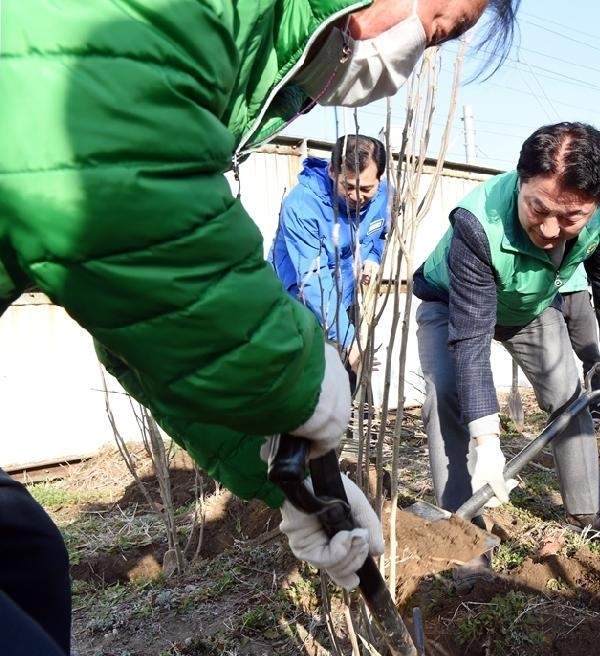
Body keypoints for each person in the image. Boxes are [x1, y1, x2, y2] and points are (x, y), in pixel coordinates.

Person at [0, 1, 520, 652]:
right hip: (291, 312)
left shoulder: (247, 57)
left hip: (272, 324)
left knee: (27, 557)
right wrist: (297, 380)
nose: (420, 51)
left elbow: (147, 311)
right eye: (437, 20)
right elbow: (118, 195)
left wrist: (286, 479)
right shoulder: (191, 17)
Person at [412, 122, 600, 556]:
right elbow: (471, 339)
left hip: (529, 308)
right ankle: (462, 527)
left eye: (571, 217)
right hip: (452, 306)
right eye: (538, 209)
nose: (552, 230)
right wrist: (488, 442)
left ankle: (589, 513)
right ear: (520, 182)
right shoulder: (478, 224)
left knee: (567, 393)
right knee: (445, 394)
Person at [268, 134, 390, 372]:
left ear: (380, 178)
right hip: (294, 306)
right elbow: (313, 279)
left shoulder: (384, 196)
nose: (357, 197)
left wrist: (372, 257)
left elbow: (379, 233)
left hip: (343, 301)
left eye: (366, 188)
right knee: (304, 389)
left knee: (349, 384)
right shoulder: (302, 206)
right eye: (348, 186)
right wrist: (348, 340)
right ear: (332, 172)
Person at [560, 264, 600, 425]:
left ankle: (597, 406)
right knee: (559, 359)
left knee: (591, 355)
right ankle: (564, 412)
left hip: (578, 291)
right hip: (546, 292)